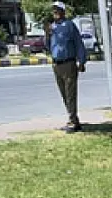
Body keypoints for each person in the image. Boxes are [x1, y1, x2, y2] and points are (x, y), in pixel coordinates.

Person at [49, 1, 87, 132]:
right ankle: (74, 119)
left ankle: (72, 121)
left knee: (70, 93)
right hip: (56, 64)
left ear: (63, 11)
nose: (55, 12)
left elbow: (78, 43)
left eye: (57, 9)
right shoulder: (52, 27)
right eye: (54, 10)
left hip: (68, 63)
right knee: (64, 94)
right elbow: (48, 46)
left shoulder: (70, 25)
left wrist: (81, 61)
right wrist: (46, 34)